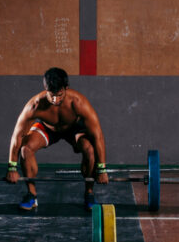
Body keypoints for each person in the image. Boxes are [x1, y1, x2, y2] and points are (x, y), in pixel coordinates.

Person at [6, 67, 108, 211]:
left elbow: (98, 136)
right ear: (45, 88)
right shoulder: (35, 105)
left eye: (59, 95)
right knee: (25, 148)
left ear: (66, 88)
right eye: (51, 95)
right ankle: (31, 195)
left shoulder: (79, 103)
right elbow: (17, 135)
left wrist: (101, 169)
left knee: (89, 149)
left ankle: (89, 194)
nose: (55, 99)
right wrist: (12, 166)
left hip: (74, 129)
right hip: (49, 128)